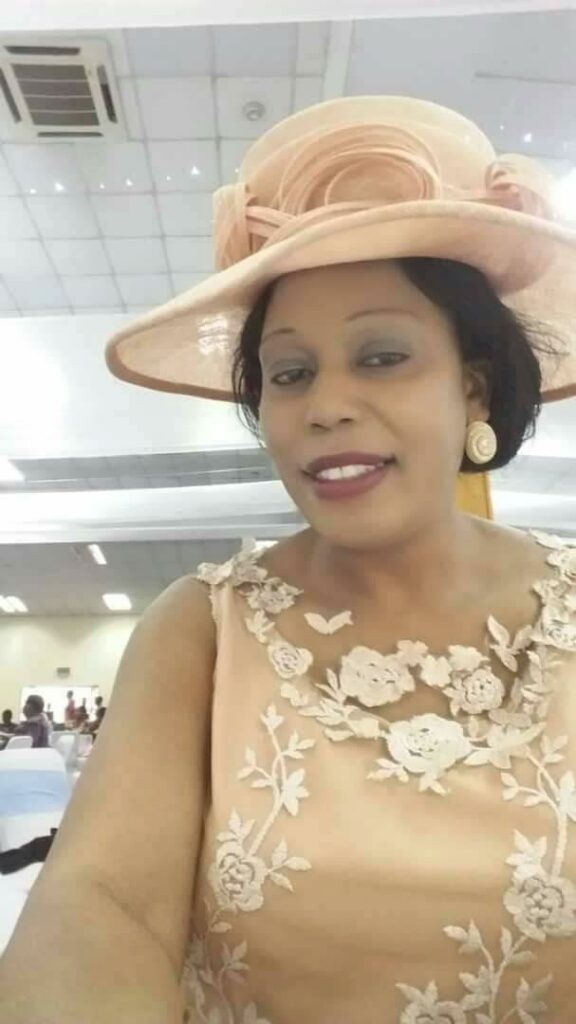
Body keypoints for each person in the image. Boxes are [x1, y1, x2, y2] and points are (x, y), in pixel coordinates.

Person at [1, 96, 575, 1024]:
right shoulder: (203, 629)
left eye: (381, 356)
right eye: (291, 372)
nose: (326, 405)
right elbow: (102, 902)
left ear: (472, 387)